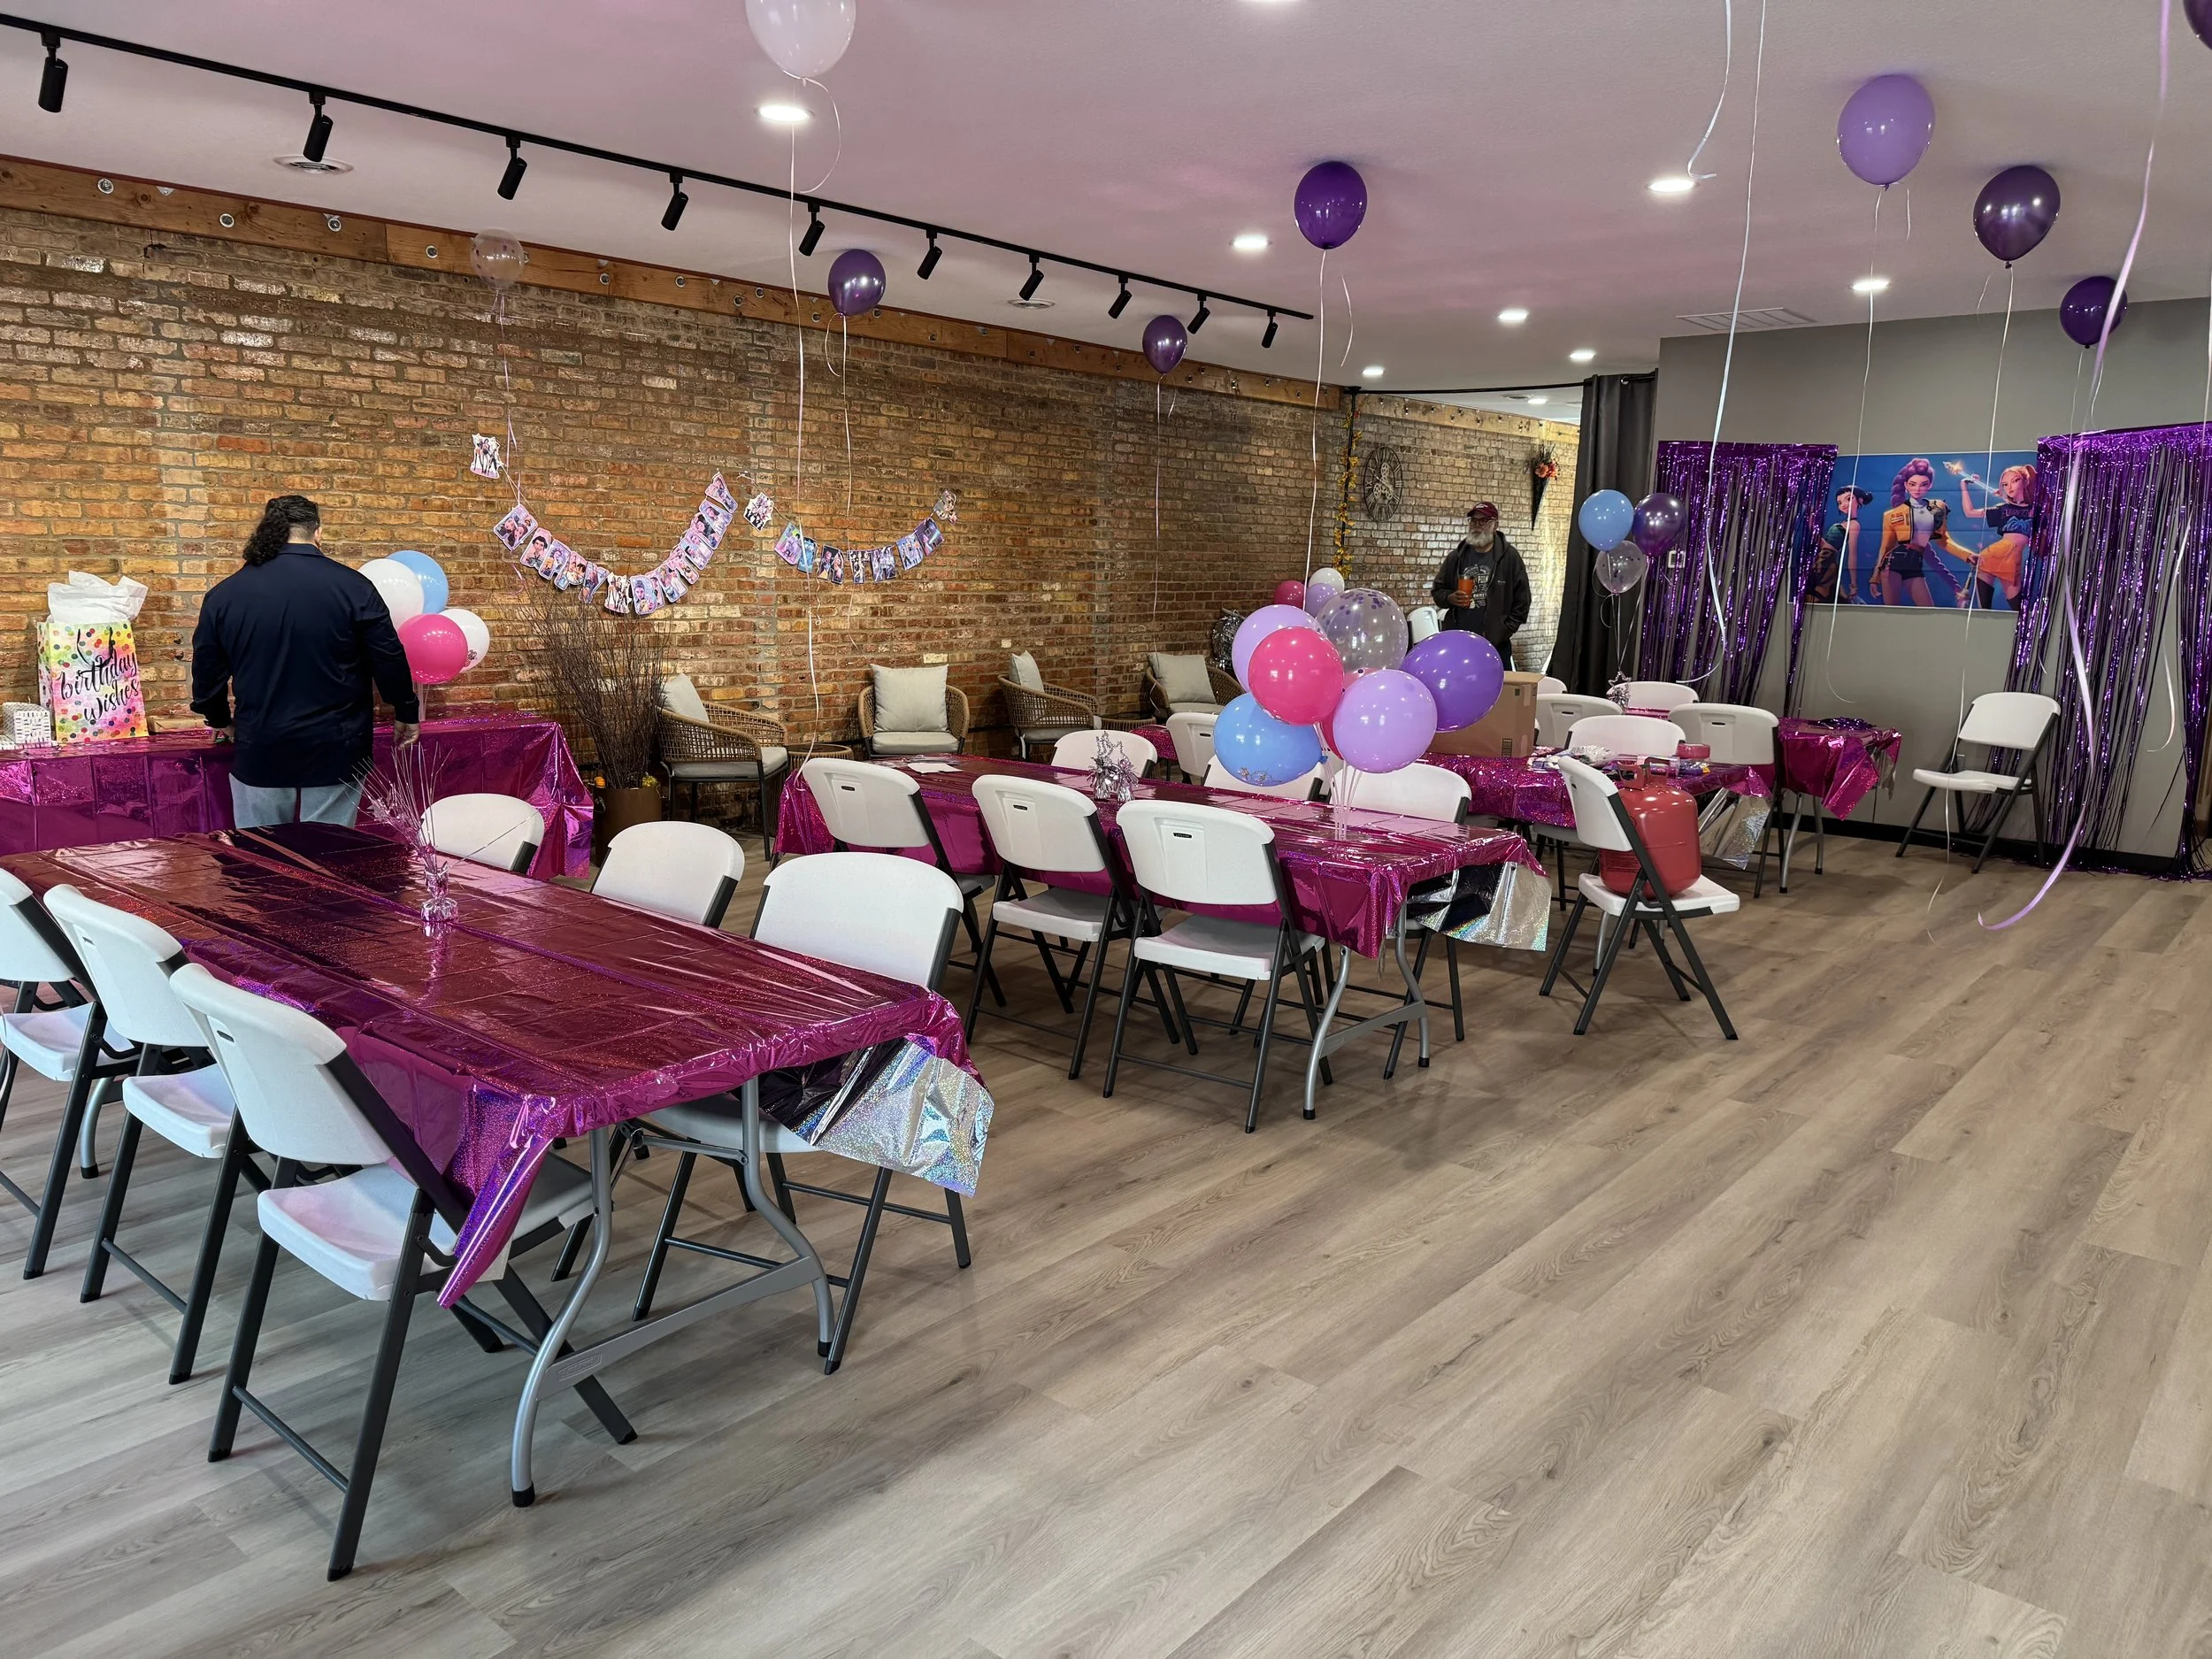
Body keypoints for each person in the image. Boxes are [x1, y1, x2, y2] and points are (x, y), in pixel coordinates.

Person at [191, 495, 420, 829]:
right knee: (329, 857)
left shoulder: (226, 594)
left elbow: (207, 670)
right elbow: (387, 656)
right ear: (318, 533)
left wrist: (219, 718)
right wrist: (405, 710)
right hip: (336, 744)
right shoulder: (354, 587)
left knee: (263, 861)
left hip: (262, 741)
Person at [1430, 502, 1532, 659]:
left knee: (1496, 684)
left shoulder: (1509, 558)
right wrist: (1449, 598)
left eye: (1483, 521)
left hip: (1495, 645)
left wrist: (1503, 631)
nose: (1477, 525)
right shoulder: (1456, 557)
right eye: (1473, 521)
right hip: (1458, 641)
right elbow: (1438, 591)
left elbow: (1523, 601)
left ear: (1495, 525)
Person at [1873, 458, 1961, 608]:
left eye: (1923, 484)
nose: (1918, 489)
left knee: (1928, 611)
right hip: (1891, 565)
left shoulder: (1937, 507)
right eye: (1913, 484)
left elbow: (1943, 544)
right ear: (1906, 485)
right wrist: (1874, 578)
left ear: (1930, 485)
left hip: (1915, 566)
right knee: (1892, 613)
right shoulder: (1891, 515)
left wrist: (1966, 559)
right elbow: (1885, 548)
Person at [1950, 460, 2036, 611]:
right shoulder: (2002, 509)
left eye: (2014, 481)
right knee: (1984, 609)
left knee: (2019, 610)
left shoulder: (2036, 509)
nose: (2009, 487)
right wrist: (1964, 487)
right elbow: (1970, 512)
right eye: (2005, 484)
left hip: (2012, 560)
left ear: (2026, 481)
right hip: (1990, 557)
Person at [1809, 486, 1872, 603]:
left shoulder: (1854, 525)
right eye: (1839, 502)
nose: (1843, 504)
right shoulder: (1844, 523)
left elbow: (1852, 555)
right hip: (1821, 560)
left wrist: (1853, 585)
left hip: (1826, 562)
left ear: (1860, 501)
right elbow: (1824, 545)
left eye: (1849, 499)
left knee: (1821, 595)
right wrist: (1812, 524)